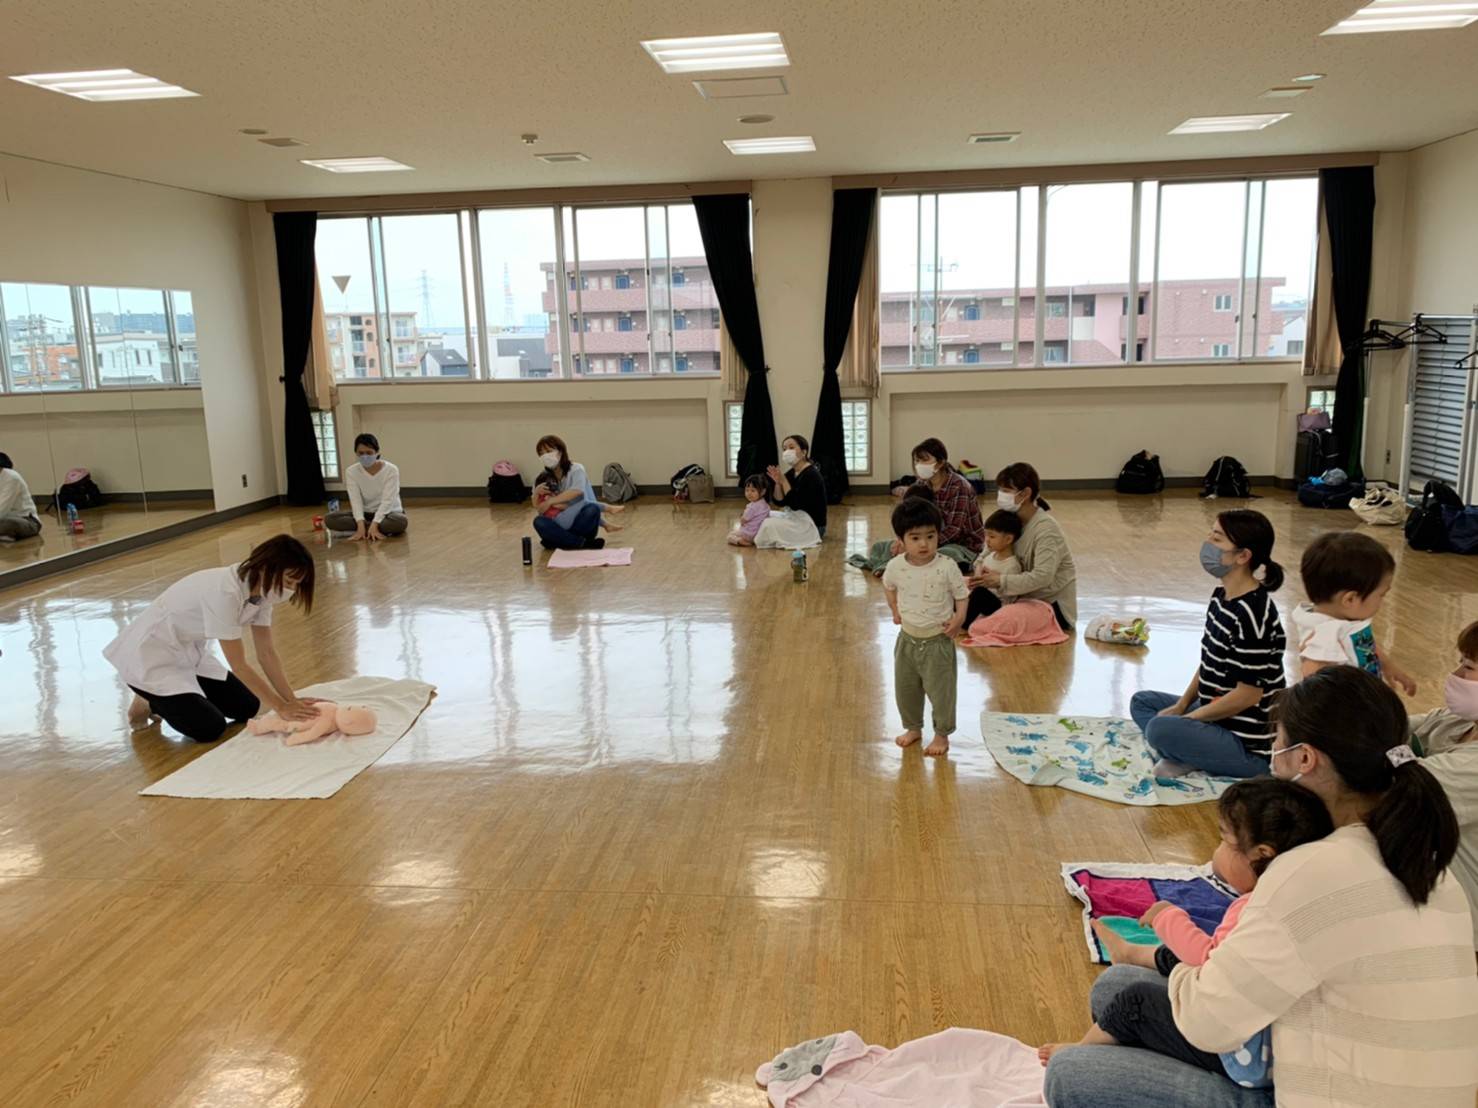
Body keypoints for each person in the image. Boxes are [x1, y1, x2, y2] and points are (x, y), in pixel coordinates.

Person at [1045, 667, 1478, 1108]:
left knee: (1072, 1072)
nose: (1272, 756)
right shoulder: (1426, 864)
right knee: (1118, 987)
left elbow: (1207, 1023)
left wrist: (1192, 967)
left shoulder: (1312, 870)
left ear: (1305, 758)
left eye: (1277, 743)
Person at [1041, 778, 1333, 1092]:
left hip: (1246, 1056)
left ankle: (1078, 1052)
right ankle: (1131, 956)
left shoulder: (1255, 906)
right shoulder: (1304, 896)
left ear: (1261, 854)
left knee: (1134, 1002)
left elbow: (1206, 960)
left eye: (1224, 840)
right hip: (1270, 1046)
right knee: (1131, 981)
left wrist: (1167, 917)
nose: (1216, 851)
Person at [103, 535, 319, 743]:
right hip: (150, 655)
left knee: (247, 707)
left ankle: (170, 698)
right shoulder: (225, 592)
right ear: (265, 568)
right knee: (209, 728)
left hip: (188, 650)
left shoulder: (260, 594)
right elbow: (239, 665)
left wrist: (291, 700)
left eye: (296, 584)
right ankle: (150, 699)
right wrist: (281, 707)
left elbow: (267, 653)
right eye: (289, 581)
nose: (291, 590)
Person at [1130, 510, 1286, 780]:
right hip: (1217, 713)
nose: (1207, 544)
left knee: (1159, 730)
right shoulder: (1220, 597)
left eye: (1217, 538)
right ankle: (1190, 752)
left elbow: (1248, 696)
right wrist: (1181, 706)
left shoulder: (1254, 614)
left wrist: (1190, 720)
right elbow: (1208, 662)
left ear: (1243, 556)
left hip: (1245, 742)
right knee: (1142, 702)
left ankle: (1192, 753)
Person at [882, 495, 968, 757]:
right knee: (906, 690)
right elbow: (889, 586)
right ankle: (913, 728)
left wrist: (959, 619)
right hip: (907, 640)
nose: (924, 544)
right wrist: (894, 609)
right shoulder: (895, 566)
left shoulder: (947, 566)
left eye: (930, 536)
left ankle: (941, 734)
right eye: (915, 537)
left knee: (941, 692)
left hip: (937, 642)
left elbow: (962, 595)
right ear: (901, 539)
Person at [1410, 619, 1478, 948]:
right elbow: (1393, 726)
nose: (1456, 675)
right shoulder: (1460, 722)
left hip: (1465, 922)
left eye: (1469, 667)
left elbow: (1404, 784)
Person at [1289, 530, 1415, 693]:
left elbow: (1364, 645)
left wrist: (1388, 666)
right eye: (1381, 595)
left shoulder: (1346, 621)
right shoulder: (1325, 638)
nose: (1382, 601)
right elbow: (1312, 684)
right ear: (1350, 599)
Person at [965, 462, 1077, 630]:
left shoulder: (1046, 530)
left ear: (1025, 493)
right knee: (959, 586)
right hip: (1013, 596)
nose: (1000, 495)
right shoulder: (1009, 518)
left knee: (1005, 617)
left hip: (1048, 605)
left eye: (1006, 491)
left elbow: (1042, 577)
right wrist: (979, 571)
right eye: (1000, 490)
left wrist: (1000, 580)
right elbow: (986, 551)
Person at [893, 438, 984, 556]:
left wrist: (924, 543)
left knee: (944, 554)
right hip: (929, 540)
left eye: (924, 460)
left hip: (963, 545)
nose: (919, 465)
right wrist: (903, 541)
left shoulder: (959, 487)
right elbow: (908, 515)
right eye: (917, 461)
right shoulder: (921, 483)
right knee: (883, 547)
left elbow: (954, 530)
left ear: (940, 463)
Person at [326, 433, 407, 541]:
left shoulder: (391, 470)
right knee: (330, 519)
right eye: (361, 453)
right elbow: (355, 500)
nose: (365, 456)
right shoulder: (351, 471)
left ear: (377, 452)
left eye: (369, 453)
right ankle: (366, 529)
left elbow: (388, 500)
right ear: (356, 453)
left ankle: (369, 528)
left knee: (401, 522)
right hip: (366, 514)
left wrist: (375, 523)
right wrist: (360, 523)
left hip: (389, 514)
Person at [531, 434, 605, 551]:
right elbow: (539, 508)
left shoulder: (576, 469)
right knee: (539, 522)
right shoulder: (541, 478)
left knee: (592, 509)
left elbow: (577, 491)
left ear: (560, 452)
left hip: (578, 523)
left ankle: (559, 541)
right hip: (558, 523)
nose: (545, 456)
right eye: (541, 454)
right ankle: (582, 543)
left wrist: (550, 501)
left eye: (548, 451)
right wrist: (536, 493)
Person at [766, 434, 828, 538]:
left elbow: (795, 504)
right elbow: (780, 502)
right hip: (797, 519)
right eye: (784, 449)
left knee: (768, 525)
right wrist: (778, 483)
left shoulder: (811, 475)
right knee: (763, 515)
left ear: (804, 452)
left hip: (812, 526)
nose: (787, 452)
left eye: (791, 448)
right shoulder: (791, 473)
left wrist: (784, 481)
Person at [970, 509, 1023, 602]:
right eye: (986, 535)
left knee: (979, 593)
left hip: (999, 603)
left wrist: (997, 583)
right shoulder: (989, 557)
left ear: (1008, 539)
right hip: (981, 598)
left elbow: (1011, 595)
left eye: (992, 536)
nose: (987, 540)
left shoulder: (1012, 565)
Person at [0, 452, 42, 542]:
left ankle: (6, 534)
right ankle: (5, 535)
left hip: (27, 521)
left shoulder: (11, 477)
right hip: (3, 518)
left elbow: (2, 509)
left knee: (9, 523)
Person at [727, 474, 772, 547]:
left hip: (749, 534)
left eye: (753, 490)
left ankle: (740, 541)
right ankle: (748, 540)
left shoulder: (752, 507)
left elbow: (744, 519)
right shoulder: (765, 504)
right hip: (759, 533)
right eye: (747, 490)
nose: (749, 493)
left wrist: (741, 519)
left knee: (730, 535)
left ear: (763, 492)